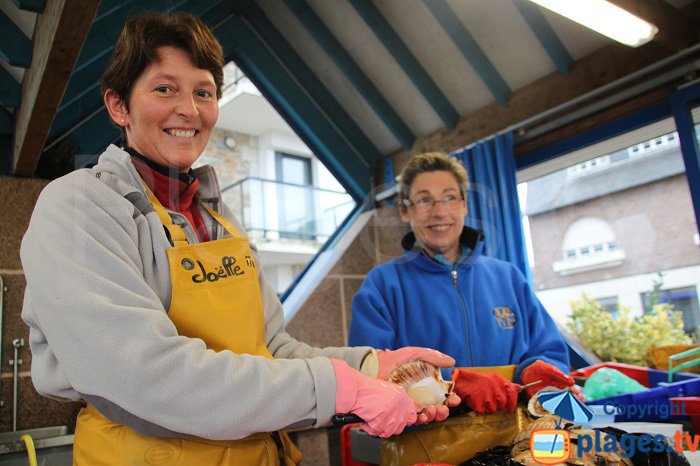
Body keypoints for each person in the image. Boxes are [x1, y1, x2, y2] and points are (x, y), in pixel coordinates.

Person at [20, 14, 459, 466]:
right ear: (119, 107)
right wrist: (341, 388)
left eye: (204, 92)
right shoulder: (80, 206)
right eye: (164, 88)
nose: (188, 109)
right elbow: (147, 376)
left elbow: (272, 350)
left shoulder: (219, 217)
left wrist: (372, 367)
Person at [349, 151, 576, 415]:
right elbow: (369, 372)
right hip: (426, 443)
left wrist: (535, 367)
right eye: (424, 200)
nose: (439, 211)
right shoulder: (382, 285)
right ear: (404, 210)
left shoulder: (508, 277)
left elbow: (551, 350)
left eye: (449, 197)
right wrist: (450, 384)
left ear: (464, 204)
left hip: (512, 432)